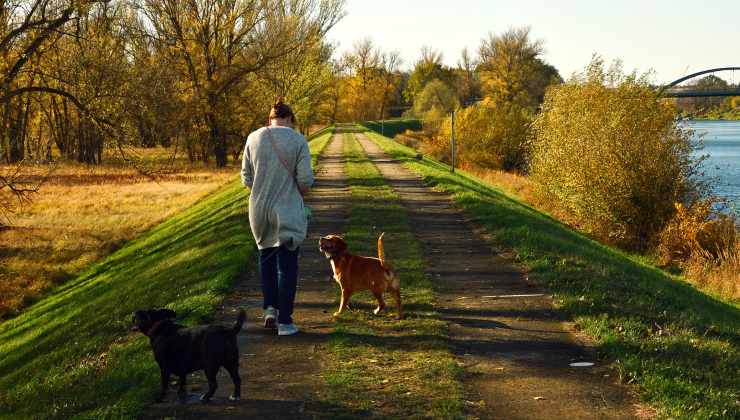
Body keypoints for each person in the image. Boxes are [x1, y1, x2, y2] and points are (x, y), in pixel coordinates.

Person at [241, 98, 314, 336]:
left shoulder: (253, 138)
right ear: (291, 119)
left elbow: (246, 179)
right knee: (287, 265)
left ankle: (270, 310)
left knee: (267, 260)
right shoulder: (298, 140)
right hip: (287, 210)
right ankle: (285, 322)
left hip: (259, 210)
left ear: (269, 119)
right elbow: (305, 181)